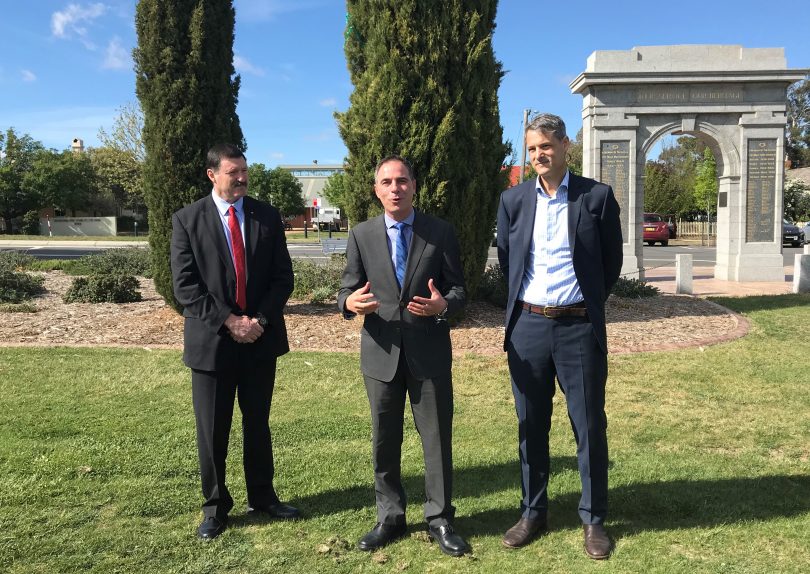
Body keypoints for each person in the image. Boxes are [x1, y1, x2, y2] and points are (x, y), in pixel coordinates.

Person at [496, 114, 623, 559]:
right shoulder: (512, 200)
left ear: (566, 145)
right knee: (531, 424)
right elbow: (510, 261)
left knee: (588, 425)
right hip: (527, 327)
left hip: (578, 328)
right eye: (532, 149)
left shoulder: (597, 197)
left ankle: (594, 519)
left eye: (546, 146)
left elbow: (611, 265)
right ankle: (533, 512)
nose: (538, 156)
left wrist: (584, 307)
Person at [337, 155, 470, 557]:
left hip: (428, 354)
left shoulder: (439, 232)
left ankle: (441, 519)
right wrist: (350, 305)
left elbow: (460, 292)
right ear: (377, 190)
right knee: (384, 441)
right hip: (380, 355)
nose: (395, 188)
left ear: (414, 186)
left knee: (436, 440)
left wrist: (442, 305)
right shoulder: (361, 235)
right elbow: (345, 292)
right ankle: (390, 517)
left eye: (402, 181)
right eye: (387, 182)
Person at [170, 143, 298, 540]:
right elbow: (185, 287)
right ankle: (214, 507)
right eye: (233, 172)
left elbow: (282, 277)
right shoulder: (187, 220)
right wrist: (229, 321)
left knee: (257, 422)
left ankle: (262, 496)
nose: (241, 178)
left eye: (244, 171)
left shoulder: (267, 215)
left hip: (260, 340)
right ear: (212, 174)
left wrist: (257, 320)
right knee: (212, 429)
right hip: (212, 344)